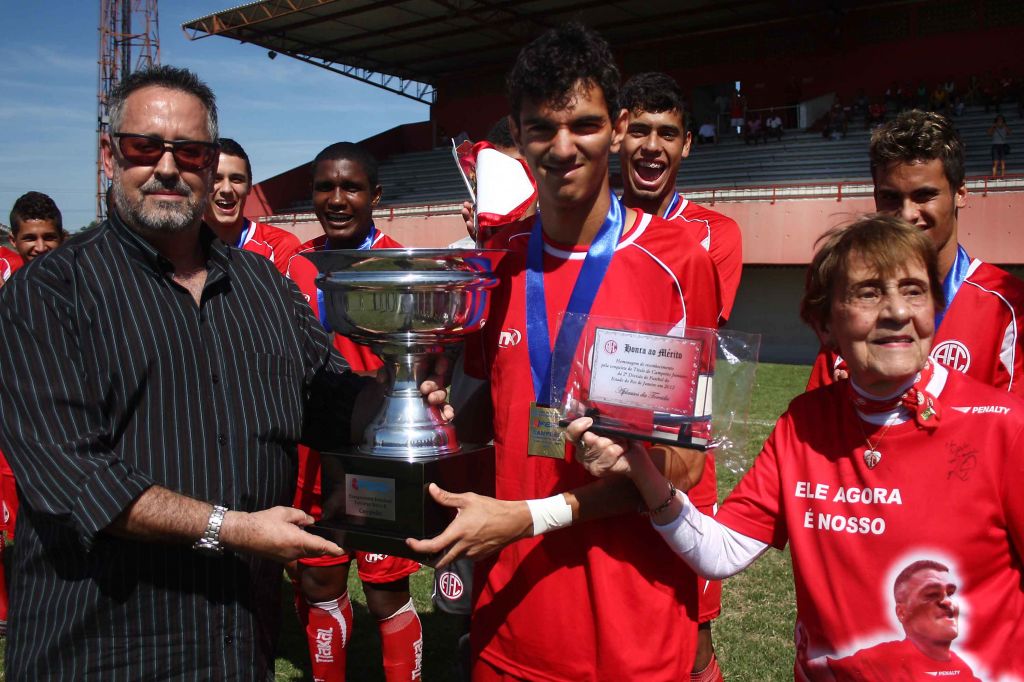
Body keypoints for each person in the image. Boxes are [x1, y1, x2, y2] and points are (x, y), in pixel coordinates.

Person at [0, 65, 449, 679]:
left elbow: (327, 397)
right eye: (144, 147)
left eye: (189, 151)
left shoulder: (263, 285)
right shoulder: (48, 294)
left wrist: (403, 404)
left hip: (237, 643)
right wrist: (229, 529)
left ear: (210, 165)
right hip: (101, 646)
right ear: (110, 156)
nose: (167, 167)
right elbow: (74, 477)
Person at [571, 215, 1024, 680]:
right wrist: (639, 464)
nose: (896, 312)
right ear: (825, 325)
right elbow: (721, 552)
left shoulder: (1005, 427)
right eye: (869, 293)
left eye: (914, 291)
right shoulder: (804, 424)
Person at [408, 23, 721, 681]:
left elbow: (687, 466)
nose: (562, 147)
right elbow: (486, 420)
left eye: (584, 125)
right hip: (511, 620)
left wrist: (538, 511)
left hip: (633, 628)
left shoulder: (677, 262)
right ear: (518, 137)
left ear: (619, 126)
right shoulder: (494, 269)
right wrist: (430, 391)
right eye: (542, 129)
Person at [616, 69, 741, 682]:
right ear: (618, 135)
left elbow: (686, 343)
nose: (652, 146)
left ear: (687, 143)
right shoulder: (589, 226)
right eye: (639, 130)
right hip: (598, 447)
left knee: (692, 633)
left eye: (667, 133)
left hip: (680, 450)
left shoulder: (714, 234)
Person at [286, 142, 422, 682]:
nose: (337, 199)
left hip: (375, 457)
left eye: (351, 187)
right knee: (318, 581)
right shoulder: (293, 266)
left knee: (386, 590)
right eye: (325, 187)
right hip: (311, 453)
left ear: (375, 196)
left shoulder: (403, 265)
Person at [807, 110, 1024, 397]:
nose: (907, 214)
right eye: (890, 197)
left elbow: (1011, 422)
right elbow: (814, 418)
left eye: (924, 195)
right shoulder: (854, 305)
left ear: (960, 193)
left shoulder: (1008, 308)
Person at [810, 560, 980, 680]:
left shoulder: (962, 668)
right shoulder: (884, 658)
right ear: (902, 612)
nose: (948, 601)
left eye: (950, 593)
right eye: (931, 594)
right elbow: (815, 667)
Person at [204, 137, 300, 274]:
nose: (226, 189)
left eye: (236, 179)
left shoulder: (279, 246)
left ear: (249, 186)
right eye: (215, 179)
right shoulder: (180, 247)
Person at [8, 191, 65, 264]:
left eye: (49, 238)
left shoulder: (76, 270)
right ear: (13, 241)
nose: (41, 248)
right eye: (30, 238)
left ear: (62, 239)